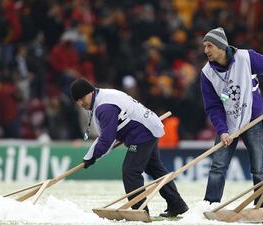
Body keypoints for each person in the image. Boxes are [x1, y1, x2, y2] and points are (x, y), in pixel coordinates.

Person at [200, 27, 263, 214]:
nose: (206, 50)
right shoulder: (206, 73)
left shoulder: (246, 58)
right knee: (218, 166)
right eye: (204, 46)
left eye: (209, 45)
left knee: (258, 167)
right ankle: (210, 206)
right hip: (226, 123)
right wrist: (223, 130)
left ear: (220, 46)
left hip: (252, 118)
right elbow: (213, 106)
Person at [69, 78, 188, 217]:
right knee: (154, 169)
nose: (80, 103)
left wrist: (92, 157)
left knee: (130, 171)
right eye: (77, 100)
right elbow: (106, 136)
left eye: (82, 98)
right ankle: (176, 204)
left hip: (142, 134)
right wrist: (90, 156)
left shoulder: (104, 107)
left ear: (90, 92)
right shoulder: (102, 97)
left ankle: (139, 211)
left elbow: (107, 139)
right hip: (148, 127)